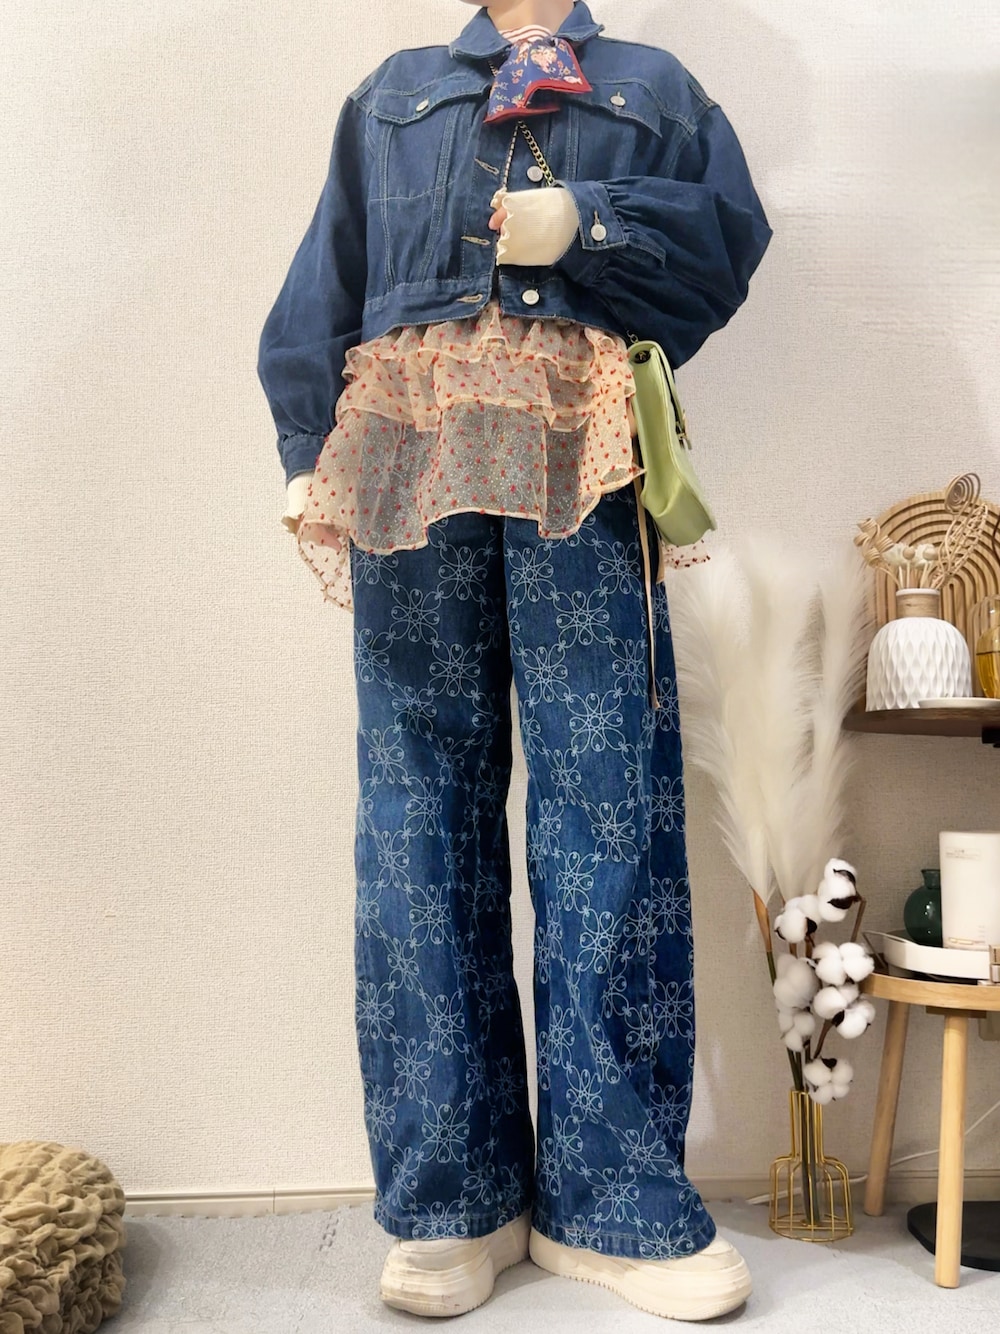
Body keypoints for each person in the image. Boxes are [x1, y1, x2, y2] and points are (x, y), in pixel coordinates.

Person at [257, 0, 772, 1320]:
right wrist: (306, 442)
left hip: (582, 451)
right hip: (406, 455)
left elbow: (727, 242)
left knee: (609, 807)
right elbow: (327, 275)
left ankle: (612, 1196)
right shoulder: (394, 92)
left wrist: (587, 225)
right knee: (415, 815)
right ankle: (452, 1196)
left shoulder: (652, 87)